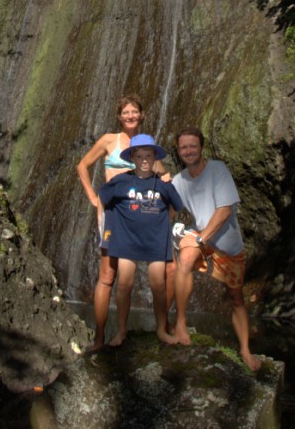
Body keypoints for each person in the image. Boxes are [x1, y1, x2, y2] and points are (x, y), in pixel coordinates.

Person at [76, 95, 168, 350]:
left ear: (141, 115)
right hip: (112, 215)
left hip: (139, 215)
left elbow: (164, 175)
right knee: (107, 275)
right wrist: (94, 198)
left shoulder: (145, 144)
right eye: (126, 112)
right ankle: (99, 335)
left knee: (132, 277)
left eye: (134, 112)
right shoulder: (108, 140)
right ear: (119, 116)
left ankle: (124, 331)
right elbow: (82, 166)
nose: (130, 116)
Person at [170, 127, 261, 371]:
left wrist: (201, 239)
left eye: (192, 146)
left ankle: (245, 350)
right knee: (185, 259)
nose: (188, 151)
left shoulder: (218, 170)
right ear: (178, 152)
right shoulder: (179, 181)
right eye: (183, 147)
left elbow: (224, 211)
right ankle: (180, 324)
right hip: (202, 237)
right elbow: (169, 211)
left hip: (226, 244)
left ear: (201, 148)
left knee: (236, 298)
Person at [98, 134, 183, 346]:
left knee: (159, 285)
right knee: (124, 284)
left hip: (155, 241)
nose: (144, 159)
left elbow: (176, 207)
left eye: (148, 155)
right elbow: (103, 198)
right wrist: (107, 227)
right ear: (132, 158)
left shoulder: (163, 184)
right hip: (127, 241)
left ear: (155, 157)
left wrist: (161, 222)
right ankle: (121, 330)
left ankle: (161, 330)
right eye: (139, 156)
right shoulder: (121, 181)